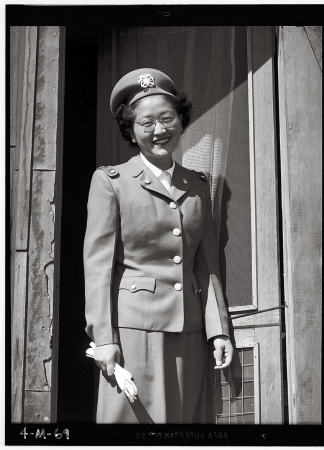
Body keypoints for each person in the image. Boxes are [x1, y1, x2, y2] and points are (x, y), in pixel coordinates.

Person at [84, 68, 234, 424]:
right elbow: (98, 268)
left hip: (190, 332)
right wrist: (104, 338)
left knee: (185, 425)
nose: (159, 131)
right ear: (132, 132)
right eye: (147, 122)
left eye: (168, 119)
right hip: (135, 331)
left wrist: (219, 330)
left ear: (181, 122)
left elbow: (206, 265)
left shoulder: (197, 185)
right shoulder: (111, 182)